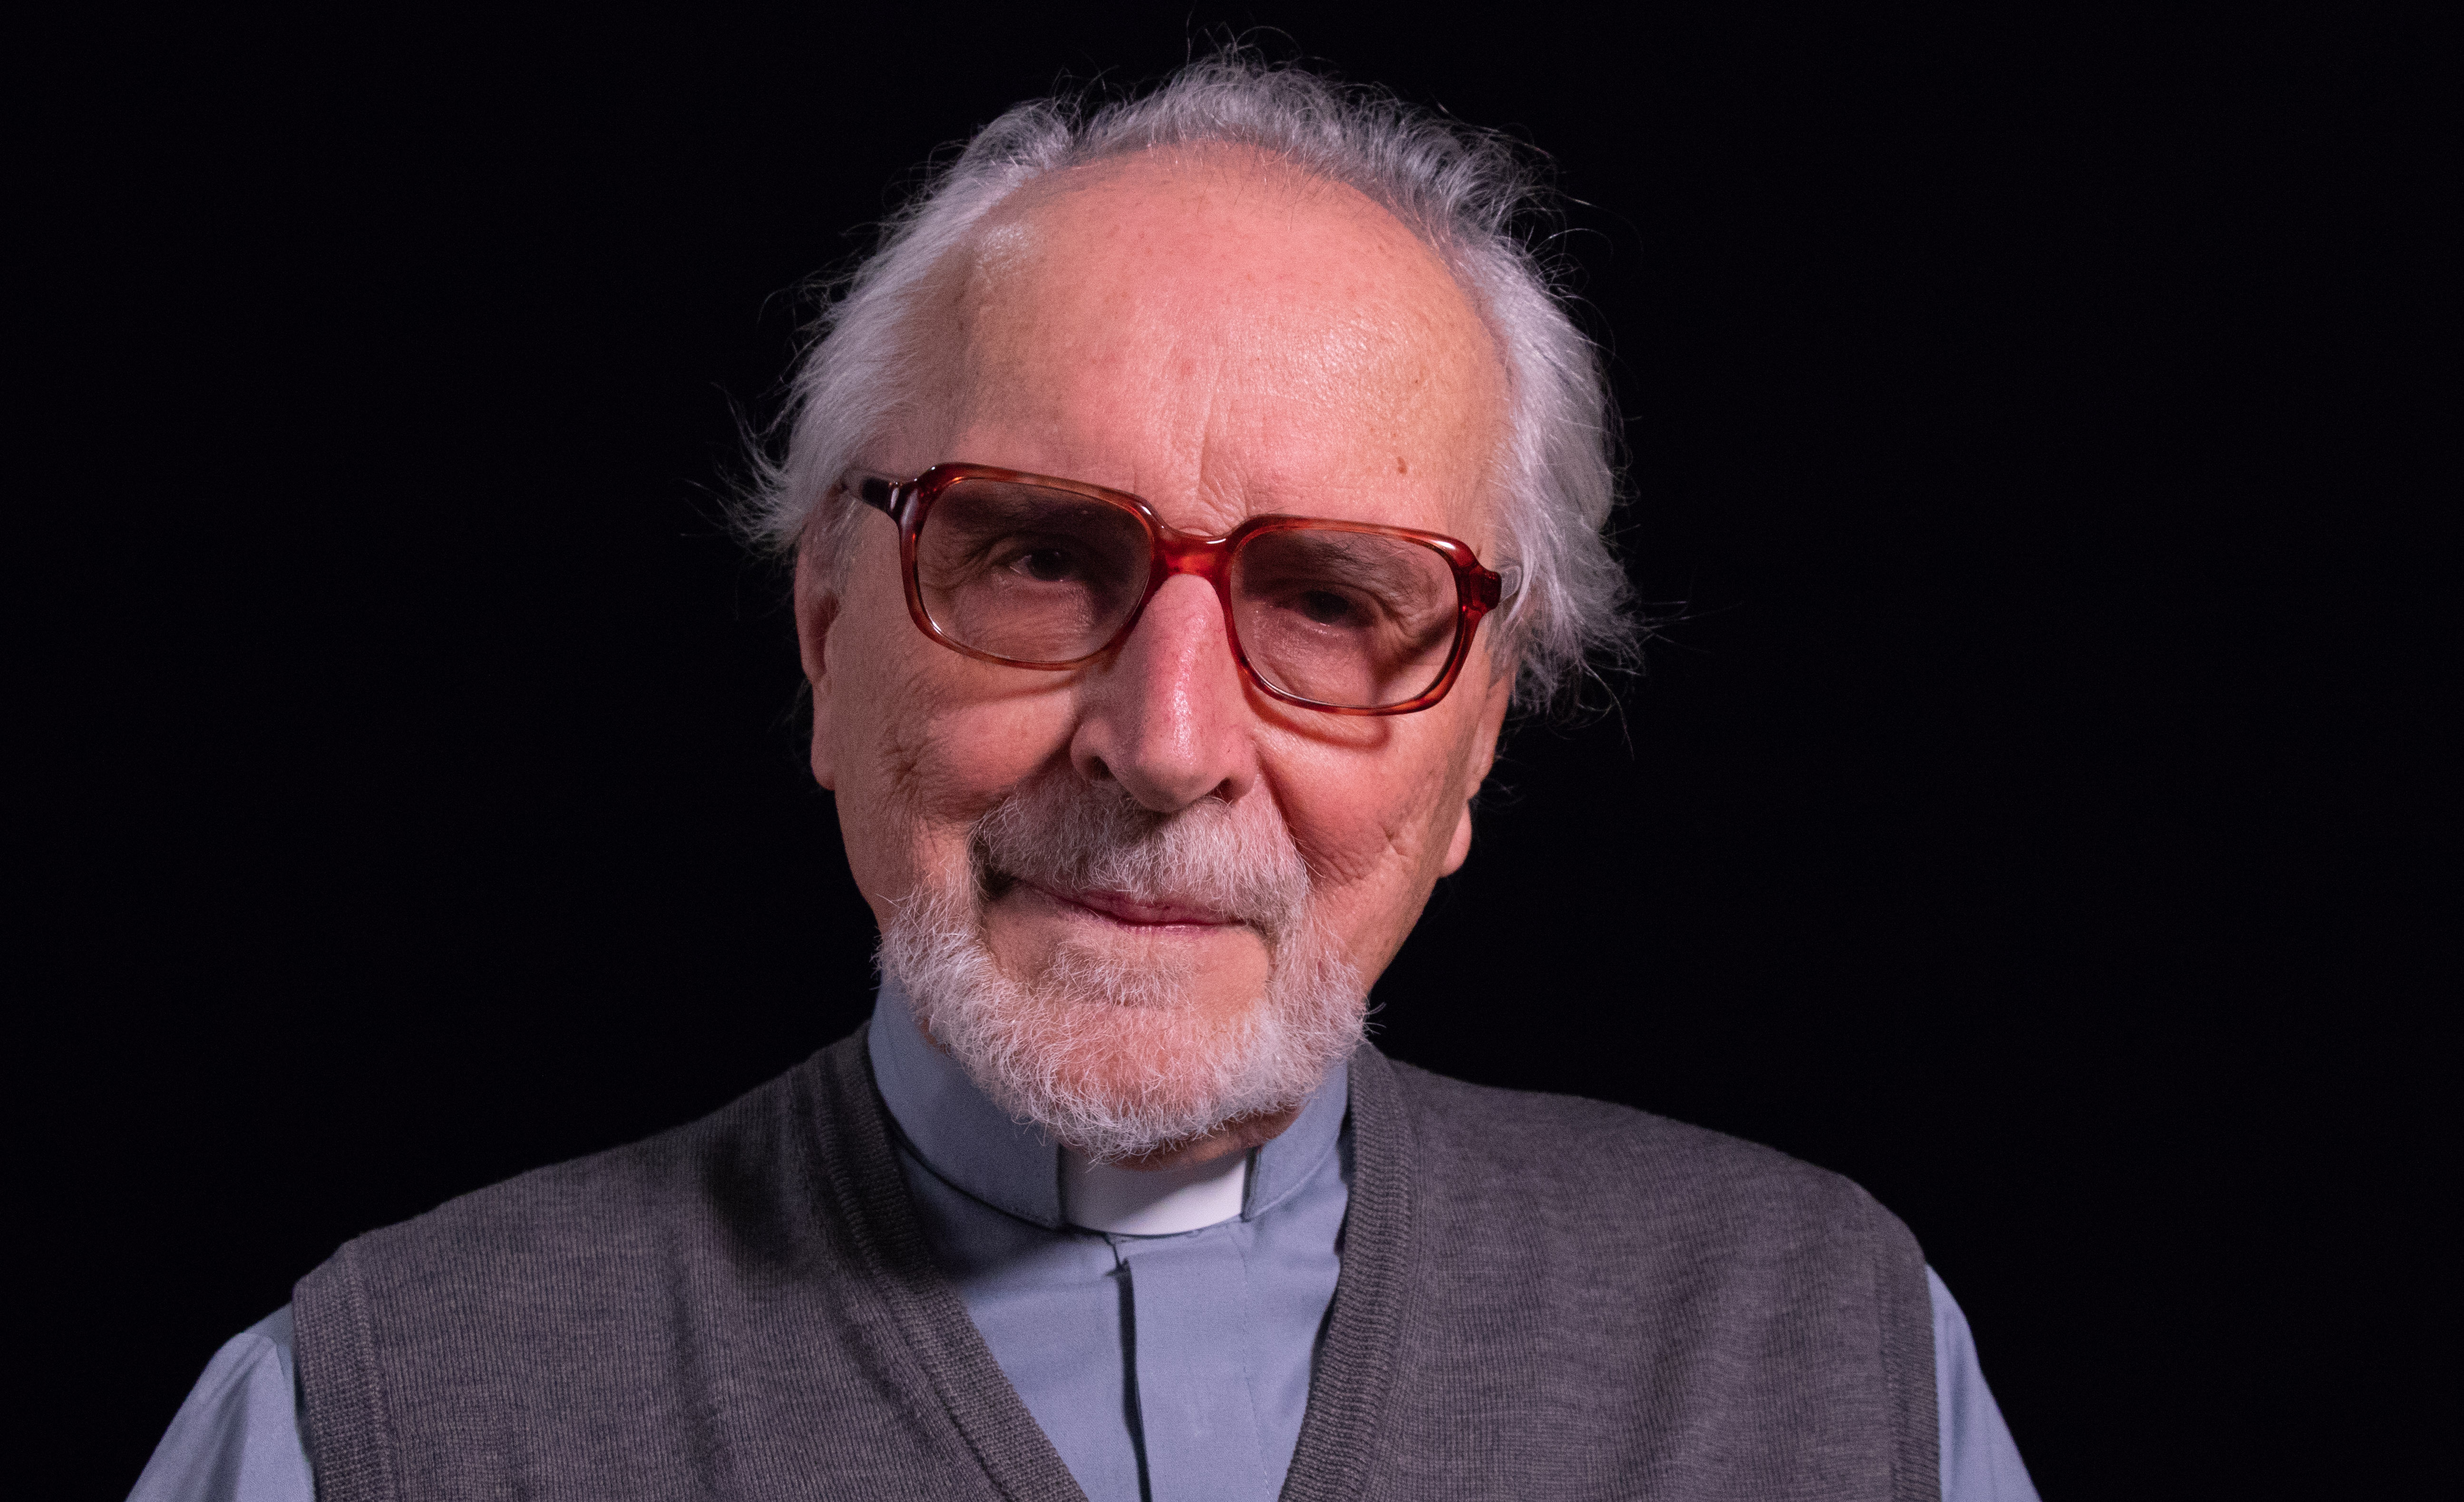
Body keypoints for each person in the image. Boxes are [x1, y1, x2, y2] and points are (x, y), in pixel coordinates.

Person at [133, 55, 2037, 1502]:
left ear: (1474, 739)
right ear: (827, 635)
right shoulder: (368, 1425)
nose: (1169, 742)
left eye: (1330, 601)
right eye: (1043, 558)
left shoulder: (1839, 1360)